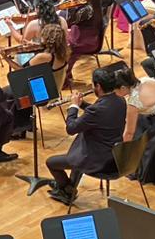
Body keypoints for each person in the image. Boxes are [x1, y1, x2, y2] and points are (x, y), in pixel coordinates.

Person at [44, 66, 126, 205]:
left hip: (99, 161)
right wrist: (82, 104)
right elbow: (99, 114)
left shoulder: (97, 110)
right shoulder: (120, 101)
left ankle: (66, 190)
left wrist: (74, 106)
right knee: (79, 149)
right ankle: (69, 187)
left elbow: (71, 128)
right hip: (114, 154)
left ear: (98, 86)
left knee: (51, 162)